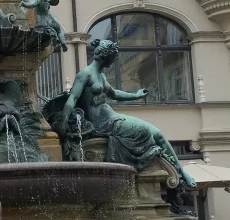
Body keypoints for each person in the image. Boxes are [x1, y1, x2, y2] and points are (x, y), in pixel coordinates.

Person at [61, 38, 195, 189]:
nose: (113, 61)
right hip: (102, 124)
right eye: (113, 57)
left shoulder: (102, 76)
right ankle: (178, 172)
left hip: (111, 117)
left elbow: (114, 94)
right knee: (145, 131)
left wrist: (136, 95)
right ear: (105, 55)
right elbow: (72, 97)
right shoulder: (85, 74)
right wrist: (63, 121)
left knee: (157, 133)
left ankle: (181, 171)